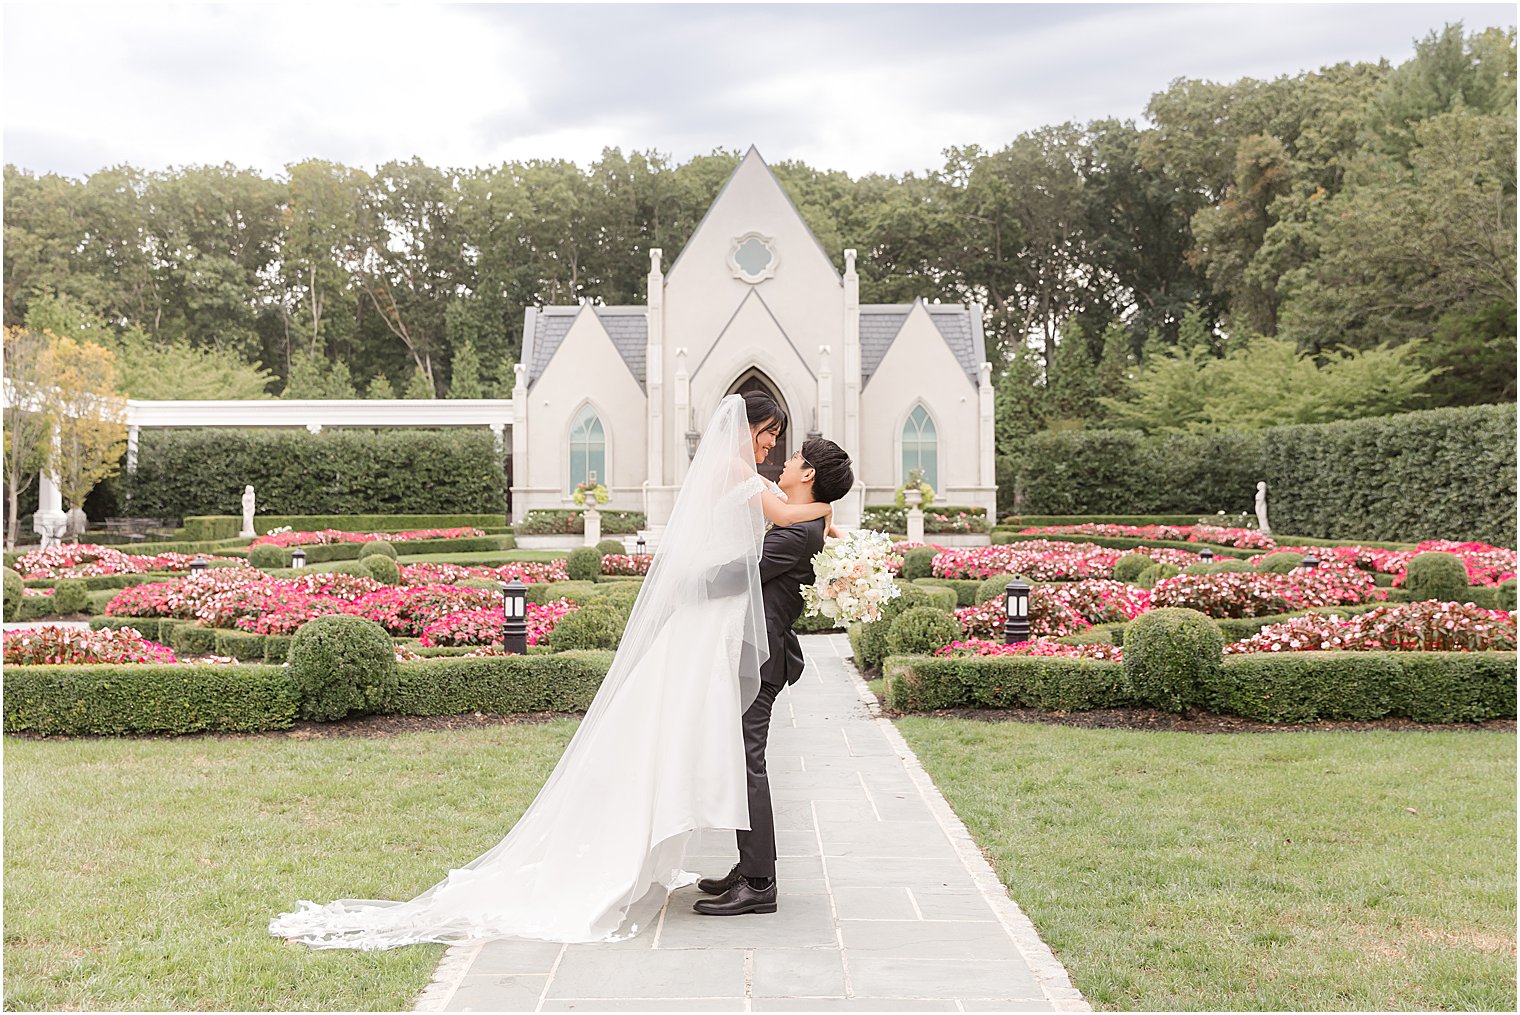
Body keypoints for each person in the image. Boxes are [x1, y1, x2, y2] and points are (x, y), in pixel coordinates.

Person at [269, 393, 837, 949]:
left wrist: (822, 520)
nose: (774, 446)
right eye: (769, 433)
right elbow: (782, 521)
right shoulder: (750, 483)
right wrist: (827, 512)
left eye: (781, 443)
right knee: (682, 744)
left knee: (699, 747)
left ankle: (749, 873)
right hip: (708, 632)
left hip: (715, 635)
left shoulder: (750, 483)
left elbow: (775, 532)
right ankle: (742, 872)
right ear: (748, 428)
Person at [693, 435, 854, 916]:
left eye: (797, 459)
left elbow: (735, 577)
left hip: (760, 661)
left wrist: (686, 578)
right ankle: (749, 867)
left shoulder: (795, 534)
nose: (785, 460)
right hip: (757, 655)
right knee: (743, 759)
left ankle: (760, 881)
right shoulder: (803, 521)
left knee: (749, 763)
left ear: (808, 475)